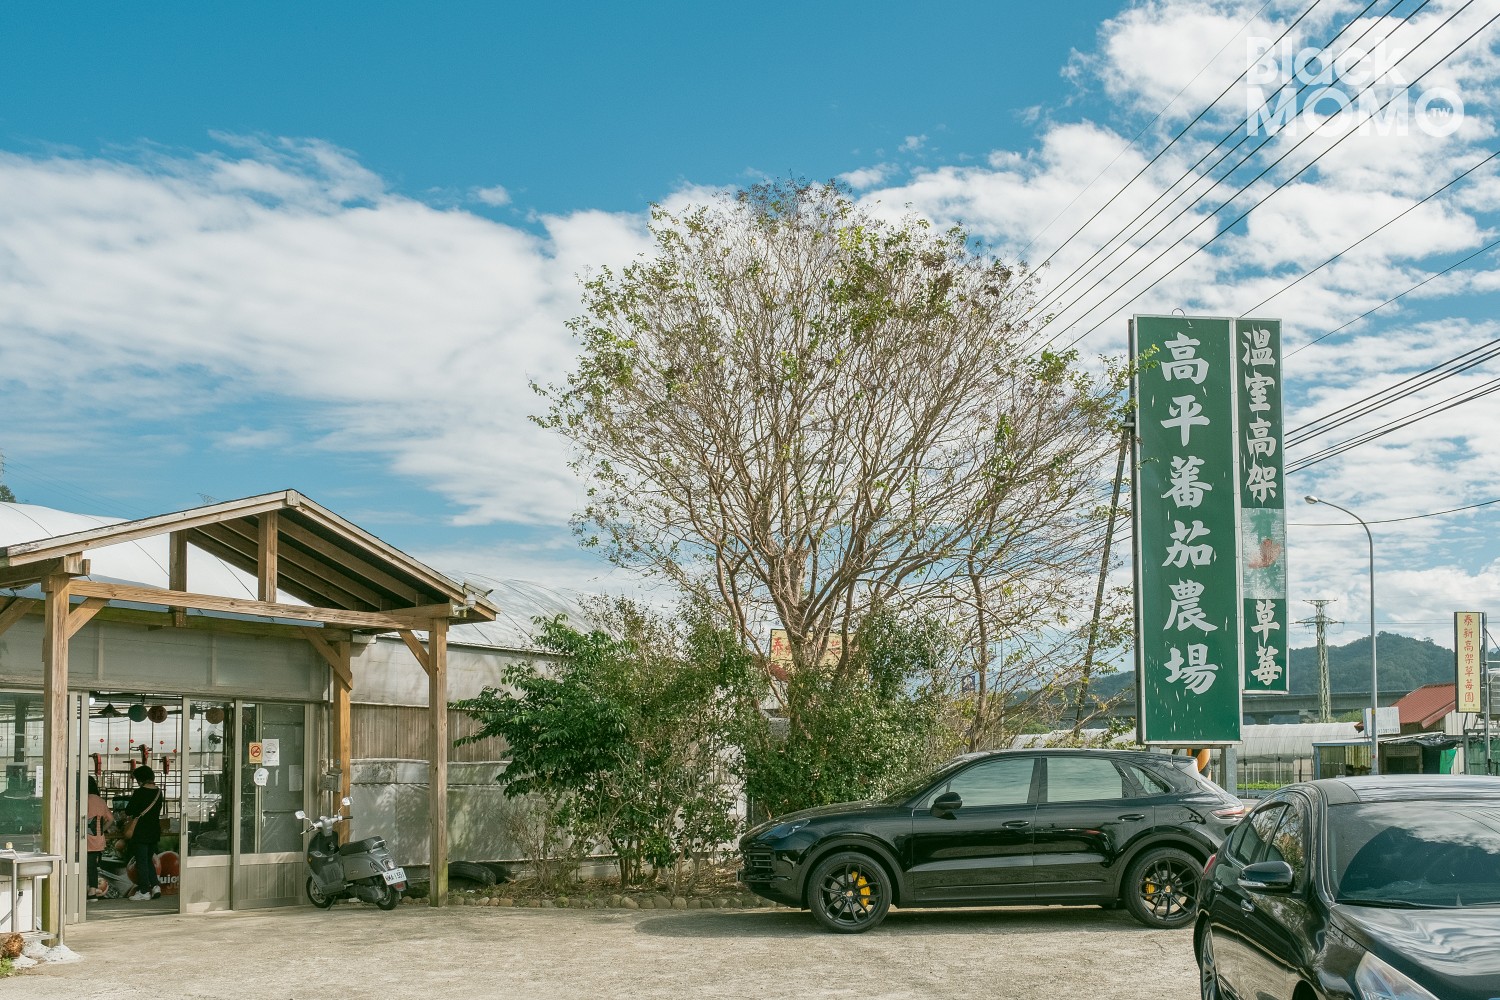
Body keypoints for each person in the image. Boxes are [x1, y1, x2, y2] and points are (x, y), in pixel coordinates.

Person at [123, 765, 164, 900]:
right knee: (148, 859)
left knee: (141, 861)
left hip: (141, 831)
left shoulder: (139, 792)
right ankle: (155, 886)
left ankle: (144, 891)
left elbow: (129, 810)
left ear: (140, 779)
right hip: (154, 830)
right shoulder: (159, 792)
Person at [85, 776, 112, 900]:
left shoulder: (81, 800)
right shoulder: (100, 800)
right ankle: (93, 889)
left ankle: (90, 890)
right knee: (92, 865)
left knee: (84, 865)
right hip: (97, 839)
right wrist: (102, 830)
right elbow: (111, 819)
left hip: (83, 838)